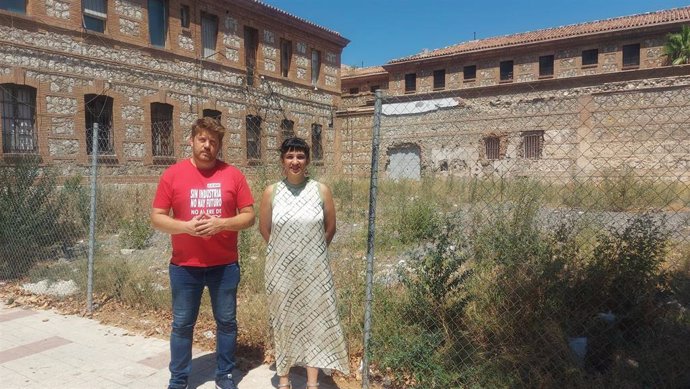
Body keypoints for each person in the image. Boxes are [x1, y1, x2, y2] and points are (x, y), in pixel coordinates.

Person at [151, 117, 255, 389]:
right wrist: (186, 227)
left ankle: (226, 374)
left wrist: (222, 222)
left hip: (224, 265)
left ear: (219, 145)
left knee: (227, 323)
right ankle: (179, 379)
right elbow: (157, 218)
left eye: (213, 141)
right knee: (183, 325)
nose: (207, 145)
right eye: (202, 139)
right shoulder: (172, 175)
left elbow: (249, 217)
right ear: (192, 140)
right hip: (185, 266)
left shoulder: (233, 175)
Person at [259, 137, 350, 389]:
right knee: (284, 320)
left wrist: (312, 253)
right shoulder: (271, 191)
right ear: (282, 160)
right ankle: (284, 380)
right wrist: (285, 253)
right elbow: (264, 229)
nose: (295, 162)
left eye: (300, 156)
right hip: (281, 271)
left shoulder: (321, 190)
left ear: (307, 160)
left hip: (315, 271)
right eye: (290, 156)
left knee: (315, 322)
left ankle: (312, 383)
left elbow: (330, 229)